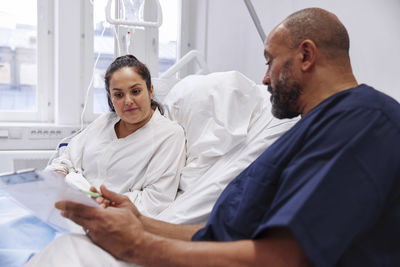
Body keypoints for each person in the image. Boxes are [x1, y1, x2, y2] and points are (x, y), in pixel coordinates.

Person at [28, 8, 400, 266]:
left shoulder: (364, 121)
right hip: (196, 249)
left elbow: (282, 258)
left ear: (306, 56)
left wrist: (140, 245)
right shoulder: (306, 129)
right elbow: (225, 234)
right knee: (66, 250)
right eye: (117, 95)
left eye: (269, 60)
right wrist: (140, 222)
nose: (265, 78)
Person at [46, 55, 186, 217]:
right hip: (67, 204)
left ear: (150, 90)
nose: (128, 101)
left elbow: (155, 201)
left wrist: (98, 203)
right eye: (118, 95)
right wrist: (56, 177)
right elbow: (66, 160)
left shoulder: (169, 135)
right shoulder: (104, 123)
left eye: (135, 91)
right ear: (110, 98)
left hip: (110, 218)